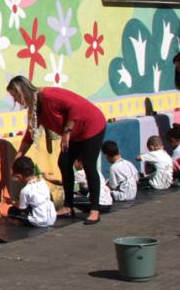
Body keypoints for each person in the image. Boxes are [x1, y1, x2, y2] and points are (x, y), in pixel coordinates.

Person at [8, 76, 109, 225]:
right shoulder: (34, 109)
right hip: (74, 134)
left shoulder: (48, 96)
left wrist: (67, 132)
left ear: (21, 91)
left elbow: (76, 107)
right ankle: (68, 206)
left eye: (15, 96)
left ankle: (95, 210)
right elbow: (30, 135)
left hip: (91, 126)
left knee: (88, 165)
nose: (15, 101)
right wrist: (18, 156)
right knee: (64, 163)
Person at [7, 157, 56, 228]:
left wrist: (12, 202)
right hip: (52, 218)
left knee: (12, 211)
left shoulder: (25, 190)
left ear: (19, 176)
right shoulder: (42, 182)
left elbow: (22, 208)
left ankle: (17, 222)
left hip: (40, 221)